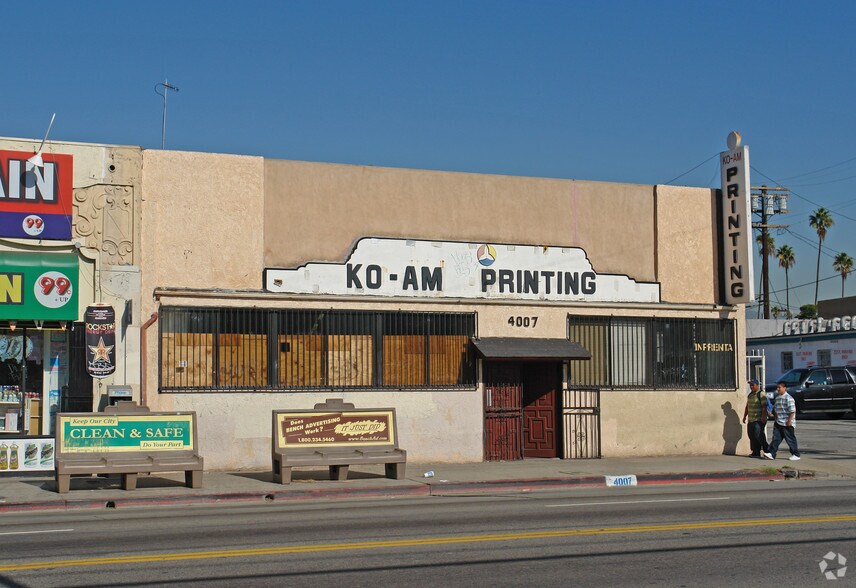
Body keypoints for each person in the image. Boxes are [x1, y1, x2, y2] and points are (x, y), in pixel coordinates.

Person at [763, 381, 801, 461]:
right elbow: (775, 409)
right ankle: (772, 453)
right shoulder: (778, 398)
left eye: (779, 387)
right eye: (777, 387)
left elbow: (792, 411)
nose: (778, 389)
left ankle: (796, 454)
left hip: (787, 423)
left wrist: (789, 421)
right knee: (776, 438)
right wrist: (775, 417)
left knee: (790, 439)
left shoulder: (788, 398)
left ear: (784, 388)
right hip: (779, 422)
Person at [742, 379, 769, 457]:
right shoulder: (750, 395)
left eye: (753, 385)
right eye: (750, 385)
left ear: (757, 385)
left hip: (759, 420)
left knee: (759, 435)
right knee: (751, 436)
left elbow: (764, 406)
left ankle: (767, 450)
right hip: (751, 419)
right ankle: (756, 452)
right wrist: (744, 416)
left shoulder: (761, 394)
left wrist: (763, 417)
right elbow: (747, 406)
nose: (751, 387)